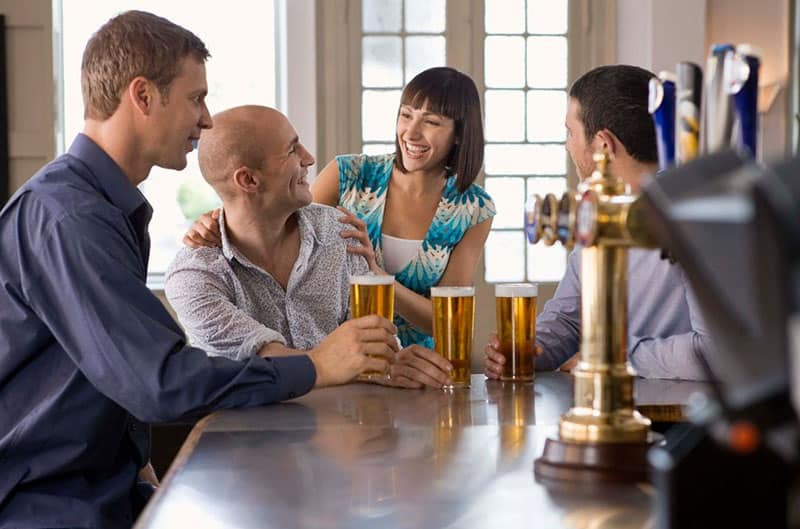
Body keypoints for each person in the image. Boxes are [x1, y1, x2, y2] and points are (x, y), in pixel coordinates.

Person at [0, 12, 395, 529]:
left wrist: (138, 468)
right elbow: (158, 382)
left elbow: (96, 369)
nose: (206, 120)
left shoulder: (103, 208)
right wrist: (316, 365)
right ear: (143, 96)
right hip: (48, 506)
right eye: (195, 98)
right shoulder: (70, 217)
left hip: (102, 489)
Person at [185, 67, 496, 350]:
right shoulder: (350, 174)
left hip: (419, 366)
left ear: (459, 134)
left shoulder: (473, 209)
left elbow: (450, 321)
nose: (411, 133)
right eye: (406, 115)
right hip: (344, 358)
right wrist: (216, 221)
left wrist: (376, 276)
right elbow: (275, 221)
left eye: (430, 122)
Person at [165, 105, 452, 389]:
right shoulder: (193, 276)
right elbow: (268, 365)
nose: (309, 158)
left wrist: (391, 364)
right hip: (246, 432)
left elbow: (375, 348)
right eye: (292, 150)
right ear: (249, 180)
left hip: (345, 428)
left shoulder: (342, 230)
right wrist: (369, 367)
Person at [484, 64, 712, 381]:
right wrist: (531, 348)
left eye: (570, 132)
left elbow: (717, 352)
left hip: (680, 422)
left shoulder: (693, 215)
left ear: (603, 144)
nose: (568, 145)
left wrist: (616, 357)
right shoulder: (597, 210)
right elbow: (572, 319)